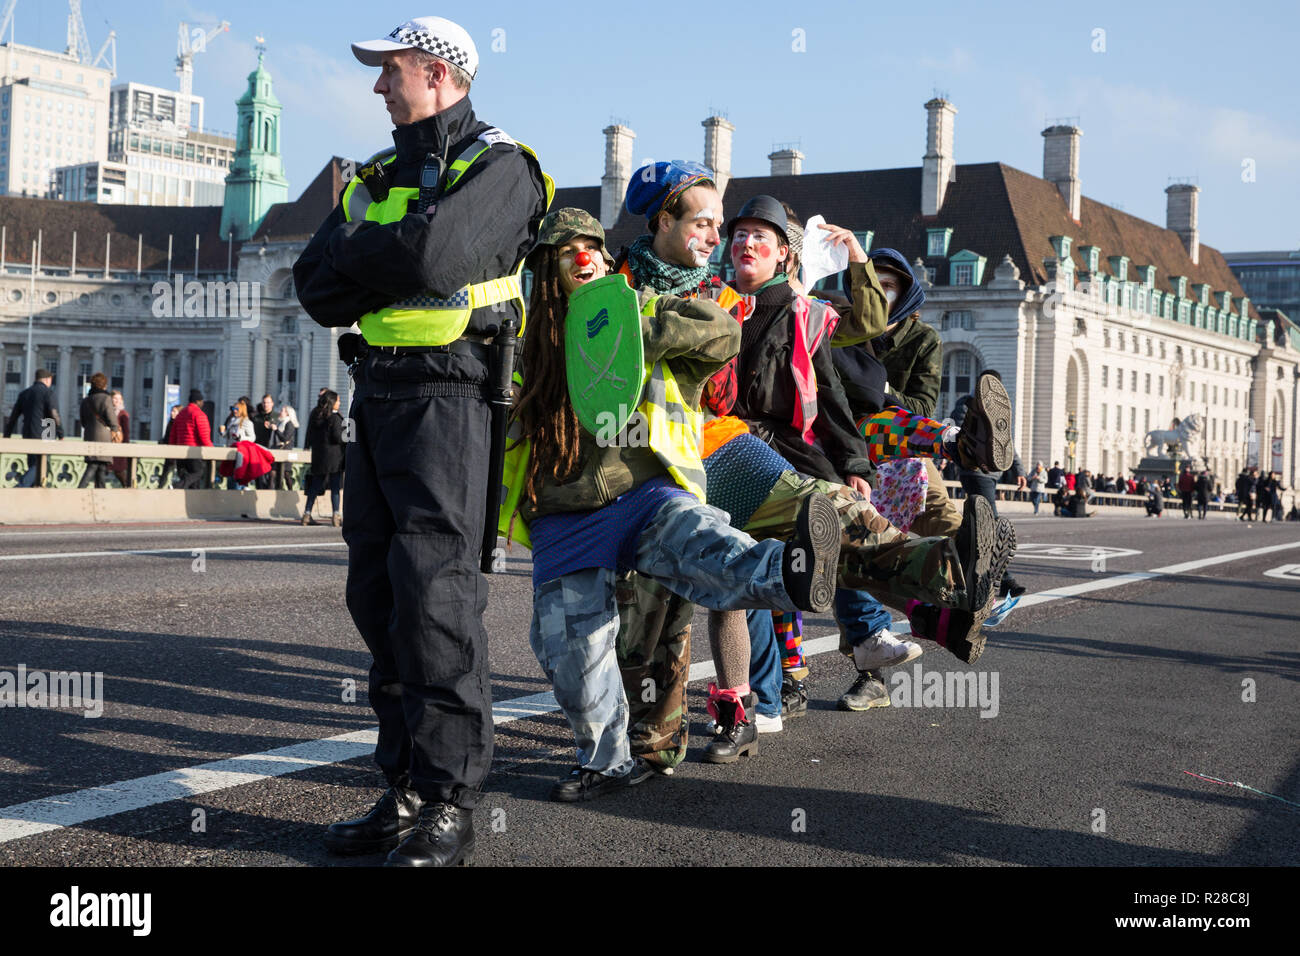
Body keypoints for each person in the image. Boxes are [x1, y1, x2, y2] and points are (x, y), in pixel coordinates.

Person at [293, 16, 549, 868]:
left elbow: (439, 257)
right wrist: (390, 250)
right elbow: (314, 287)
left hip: (453, 399)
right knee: (379, 597)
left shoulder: (502, 166)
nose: (376, 87)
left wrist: (372, 250)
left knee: (437, 601)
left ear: (440, 74)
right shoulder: (374, 174)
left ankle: (451, 802)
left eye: (390, 71)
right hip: (379, 396)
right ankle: (399, 786)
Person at [507, 209, 842, 798]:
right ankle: (606, 761)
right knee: (568, 652)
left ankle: (794, 568)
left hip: (640, 490)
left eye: (592, 247)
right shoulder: (521, 340)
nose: (584, 258)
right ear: (545, 267)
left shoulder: (635, 305)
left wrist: (638, 330)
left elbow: (722, 333)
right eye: (568, 252)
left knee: (709, 548)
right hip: (563, 511)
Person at [3, 368, 62, 486]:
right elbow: (54, 414)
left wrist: (7, 435)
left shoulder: (25, 393)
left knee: (32, 464)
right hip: (46, 432)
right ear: (47, 379)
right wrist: (61, 433)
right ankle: (21, 486)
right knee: (42, 466)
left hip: (28, 432)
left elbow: (13, 417)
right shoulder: (48, 393)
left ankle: (31, 494)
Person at [302, 390, 344, 526]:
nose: (340, 403)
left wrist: (307, 445)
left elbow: (309, 432)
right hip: (334, 458)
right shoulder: (335, 418)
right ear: (332, 402)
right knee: (335, 487)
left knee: (315, 486)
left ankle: (307, 513)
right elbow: (338, 438)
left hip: (319, 455)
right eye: (338, 400)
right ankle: (336, 515)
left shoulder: (316, 415)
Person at [77, 372, 122, 488]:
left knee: (100, 467)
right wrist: (115, 429)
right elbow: (112, 420)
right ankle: (79, 491)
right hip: (103, 437)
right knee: (94, 466)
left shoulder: (85, 400)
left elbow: (82, 421)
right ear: (104, 385)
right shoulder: (106, 399)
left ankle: (101, 492)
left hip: (89, 436)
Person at [170, 389, 213, 488]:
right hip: (193, 452)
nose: (203, 403)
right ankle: (177, 486)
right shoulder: (199, 414)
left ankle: (185, 495)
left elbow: (173, 434)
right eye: (202, 401)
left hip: (180, 452)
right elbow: (204, 436)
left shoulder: (181, 414)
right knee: (198, 473)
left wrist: (172, 451)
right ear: (198, 401)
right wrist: (212, 449)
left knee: (191, 482)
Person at [251, 395, 278, 490]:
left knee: (272, 475)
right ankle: (260, 490)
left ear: (272, 404)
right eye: (264, 402)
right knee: (259, 475)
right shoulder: (256, 418)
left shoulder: (276, 417)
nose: (266, 404)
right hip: (259, 449)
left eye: (268, 402)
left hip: (272, 450)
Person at [272, 404, 299, 490]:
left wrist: (276, 430)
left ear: (287, 413)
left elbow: (285, 438)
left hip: (285, 451)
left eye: (282, 411)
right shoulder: (280, 423)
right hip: (278, 451)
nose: (280, 412)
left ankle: (290, 491)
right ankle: (275, 491)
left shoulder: (289, 424)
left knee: (285, 474)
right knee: (274, 473)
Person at [109, 390, 132, 487]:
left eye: (119, 399)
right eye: (115, 398)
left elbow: (126, 431)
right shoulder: (109, 411)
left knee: (119, 471)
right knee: (104, 469)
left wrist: (125, 445)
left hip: (119, 445)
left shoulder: (123, 414)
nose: (117, 401)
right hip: (109, 444)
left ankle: (127, 488)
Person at [158, 404, 181, 488]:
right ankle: (160, 488)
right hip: (170, 451)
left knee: (178, 472)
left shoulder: (178, 423)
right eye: (171, 411)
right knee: (166, 471)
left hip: (176, 451)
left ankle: (175, 486)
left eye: (174, 411)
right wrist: (162, 441)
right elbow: (167, 436)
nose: (172, 413)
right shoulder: (170, 422)